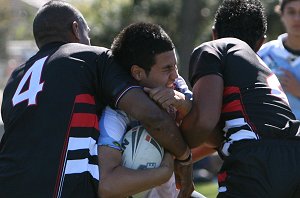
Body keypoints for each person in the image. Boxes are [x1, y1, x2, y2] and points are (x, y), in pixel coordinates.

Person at [0, 1, 192, 197]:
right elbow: (153, 117)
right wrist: (184, 158)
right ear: (76, 29)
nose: (89, 40)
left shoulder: (15, 79)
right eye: (87, 33)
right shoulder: (90, 57)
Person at [151, 0, 300, 197]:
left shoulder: (216, 47)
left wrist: (178, 153)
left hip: (256, 161)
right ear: (261, 43)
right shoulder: (259, 76)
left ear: (214, 33)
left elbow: (203, 123)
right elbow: (216, 138)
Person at [98, 22, 202, 198]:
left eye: (175, 66)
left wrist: (184, 104)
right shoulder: (115, 115)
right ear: (138, 73)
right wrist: (167, 166)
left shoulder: (176, 86)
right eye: (167, 69)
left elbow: (203, 124)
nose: (175, 75)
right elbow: (107, 186)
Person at [258, 0, 300, 119]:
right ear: (282, 14)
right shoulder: (263, 54)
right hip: (270, 134)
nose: (297, 18)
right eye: (291, 12)